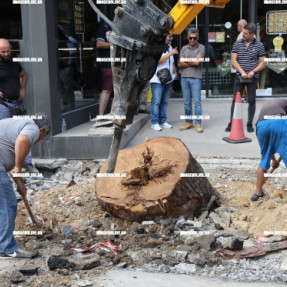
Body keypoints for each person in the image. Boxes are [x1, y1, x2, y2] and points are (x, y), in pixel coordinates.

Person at [0, 114, 50, 258]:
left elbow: (6, 160)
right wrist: (18, 168)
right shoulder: (32, 128)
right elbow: (22, 141)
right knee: (8, 204)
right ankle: (6, 248)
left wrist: (20, 183)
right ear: (41, 130)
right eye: (43, 137)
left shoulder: (15, 126)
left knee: (2, 205)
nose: (40, 140)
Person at [0, 38, 37, 173]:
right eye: (3, 52)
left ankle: (26, 163)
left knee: (25, 132)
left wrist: (22, 90)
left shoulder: (13, 62)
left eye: (8, 51)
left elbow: (23, 75)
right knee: (4, 136)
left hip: (17, 103)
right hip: (2, 106)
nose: (6, 54)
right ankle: (7, 167)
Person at [225, 23, 266, 133]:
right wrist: (242, 72)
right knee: (235, 100)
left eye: (246, 33)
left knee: (251, 100)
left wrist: (253, 71)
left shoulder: (259, 45)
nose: (243, 35)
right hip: (240, 77)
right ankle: (232, 122)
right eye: (243, 32)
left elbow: (263, 62)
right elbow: (234, 61)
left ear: (252, 34)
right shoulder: (237, 44)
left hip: (253, 77)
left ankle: (249, 123)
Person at [251, 99, 287, 201]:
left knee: (264, 159)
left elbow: (268, 147)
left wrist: (273, 160)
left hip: (261, 126)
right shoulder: (285, 105)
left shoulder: (273, 103)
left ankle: (257, 193)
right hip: (280, 122)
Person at [178, 28, 205, 133]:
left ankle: (198, 123)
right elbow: (179, 64)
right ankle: (189, 122)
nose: (192, 40)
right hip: (184, 78)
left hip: (196, 78)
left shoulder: (201, 47)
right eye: (190, 38)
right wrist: (192, 61)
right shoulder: (184, 48)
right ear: (188, 37)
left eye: (194, 38)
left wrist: (186, 60)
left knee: (197, 102)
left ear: (197, 37)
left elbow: (197, 63)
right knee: (186, 102)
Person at [149, 34, 178, 131]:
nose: (171, 38)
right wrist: (170, 53)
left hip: (168, 79)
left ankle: (163, 121)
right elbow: (157, 61)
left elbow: (171, 62)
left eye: (172, 36)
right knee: (156, 102)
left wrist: (175, 73)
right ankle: (155, 122)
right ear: (163, 37)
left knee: (164, 101)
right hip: (157, 79)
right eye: (169, 36)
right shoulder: (156, 47)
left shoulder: (169, 47)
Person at [96, 22, 113, 117]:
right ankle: (101, 116)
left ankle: (115, 115)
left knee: (120, 91)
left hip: (122, 64)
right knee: (107, 89)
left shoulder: (124, 29)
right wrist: (114, 44)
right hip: (108, 64)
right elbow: (99, 44)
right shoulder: (106, 26)